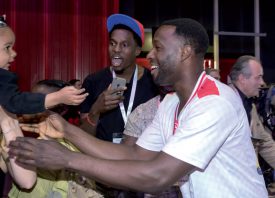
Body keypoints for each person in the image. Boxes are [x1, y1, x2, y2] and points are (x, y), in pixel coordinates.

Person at [8, 18, 268, 197]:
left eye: (158, 47)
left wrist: (67, 158)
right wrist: (65, 130)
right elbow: (133, 155)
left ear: (186, 52)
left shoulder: (214, 102)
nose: (150, 55)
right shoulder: (171, 102)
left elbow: (157, 176)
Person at [8, 80, 103, 198]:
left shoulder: (66, 148)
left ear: (61, 110)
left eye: (39, 100)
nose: (30, 103)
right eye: (31, 97)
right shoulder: (22, 135)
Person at [79, 14, 158, 141]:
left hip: (139, 158)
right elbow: (83, 137)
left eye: (124, 45)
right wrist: (95, 110)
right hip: (101, 158)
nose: (116, 49)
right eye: (112, 43)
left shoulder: (154, 83)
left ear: (137, 50)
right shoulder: (93, 81)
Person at [0, 16, 88, 114]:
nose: (14, 53)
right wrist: (56, 97)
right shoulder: (3, 78)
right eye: (7, 47)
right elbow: (15, 102)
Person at [228, 56, 275, 183]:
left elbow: (265, 142)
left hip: (245, 179)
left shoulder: (250, 107)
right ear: (242, 78)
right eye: (258, 77)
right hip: (229, 181)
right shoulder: (225, 104)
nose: (262, 83)